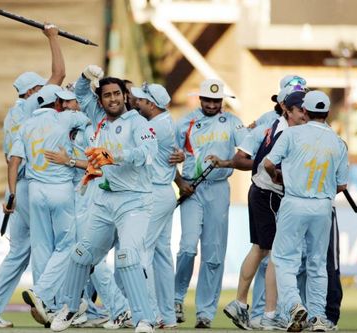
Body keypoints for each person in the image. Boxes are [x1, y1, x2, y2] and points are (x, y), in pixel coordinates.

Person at [0, 23, 66, 328]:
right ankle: (48, 304)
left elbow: (11, 157)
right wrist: (53, 38)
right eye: (43, 89)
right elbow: (59, 75)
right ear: (34, 92)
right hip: (33, 185)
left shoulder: (15, 113)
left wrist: (11, 194)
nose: (50, 94)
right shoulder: (30, 106)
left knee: (20, 252)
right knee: (43, 248)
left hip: (21, 188)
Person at [50, 65, 158, 333]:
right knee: (81, 254)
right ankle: (71, 308)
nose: (112, 99)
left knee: (127, 257)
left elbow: (147, 153)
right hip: (103, 200)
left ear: (125, 96)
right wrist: (86, 76)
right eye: (107, 95)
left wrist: (115, 156)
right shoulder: (97, 116)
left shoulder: (138, 123)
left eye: (117, 94)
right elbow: (82, 92)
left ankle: (144, 318)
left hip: (134, 201)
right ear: (101, 100)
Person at [209, 89, 308, 330]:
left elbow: (252, 159)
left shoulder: (273, 124)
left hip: (260, 192)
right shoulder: (286, 131)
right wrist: (284, 177)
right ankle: (270, 315)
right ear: (288, 109)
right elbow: (268, 164)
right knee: (277, 254)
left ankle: (241, 303)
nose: (305, 115)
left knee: (261, 250)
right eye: (300, 110)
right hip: (271, 194)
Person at [44, 89, 131, 329]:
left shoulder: (99, 127)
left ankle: (117, 308)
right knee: (85, 254)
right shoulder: (79, 128)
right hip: (82, 195)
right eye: (65, 101)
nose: (69, 105)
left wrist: (69, 161)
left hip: (97, 193)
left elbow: (104, 165)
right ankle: (95, 308)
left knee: (87, 253)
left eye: (72, 100)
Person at [264, 91, 349, 332]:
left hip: (294, 202)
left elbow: (269, 163)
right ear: (327, 112)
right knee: (317, 263)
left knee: (283, 259)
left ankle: (293, 305)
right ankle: (318, 317)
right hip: (322, 206)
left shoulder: (291, 134)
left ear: (305, 111)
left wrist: (277, 176)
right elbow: (342, 184)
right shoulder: (337, 141)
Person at [8, 84, 91, 327]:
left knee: (42, 247)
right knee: (67, 245)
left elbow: (14, 162)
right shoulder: (64, 118)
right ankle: (42, 293)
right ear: (56, 104)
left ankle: (51, 306)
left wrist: (12, 194)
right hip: (60, 188)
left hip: (34, 191)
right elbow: (89, 117)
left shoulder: (25, 126)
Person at [173, 79, 248, 328]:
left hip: (218, 189)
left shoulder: (233, 122)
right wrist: (180, 181)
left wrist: (228, 162)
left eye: (216, 101)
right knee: (187, 247)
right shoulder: (185, 121)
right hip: (191, 188)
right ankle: (176, 299)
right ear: (200, 99)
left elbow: (248, 150)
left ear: (221, 101)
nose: (212, 104)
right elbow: (167, 155)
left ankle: (205, 313)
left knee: (214, 254)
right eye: (207, 100)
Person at [131, 82, 183, 329]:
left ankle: (151, 314)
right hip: (164, 192)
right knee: (162, 255)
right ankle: (168, 316)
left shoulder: (152, 126)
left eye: (140, 100)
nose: (136, 102)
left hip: (153, 192)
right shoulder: (166, 120)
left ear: (151, 104)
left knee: (142, 251)